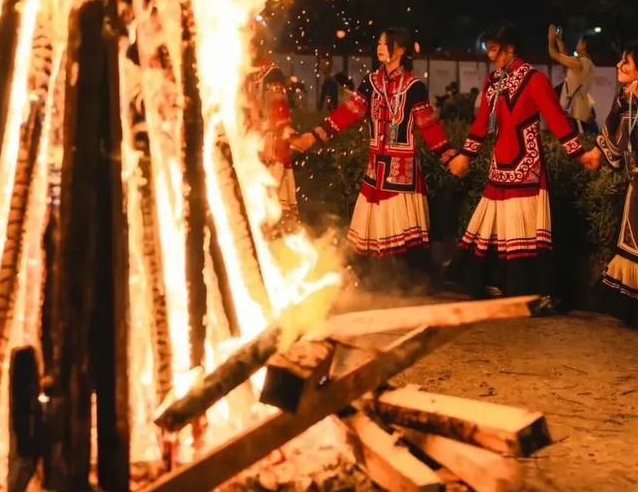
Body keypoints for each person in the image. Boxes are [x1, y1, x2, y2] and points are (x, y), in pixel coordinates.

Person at [447, 21, 592, 304]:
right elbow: (480, 124)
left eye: (494, 50)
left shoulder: (534, 80)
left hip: (526, 167)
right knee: (498, 225)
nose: (489, 55)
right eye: (488, 49)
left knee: (522, 228)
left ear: (510, 49)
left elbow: (556, 119)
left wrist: (579, 153)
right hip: (499, 165)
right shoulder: (492, 82)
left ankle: (528, 291)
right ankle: (497, 283)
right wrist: (466, 154)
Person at [290, 27, 456, 267]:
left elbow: (428, 126)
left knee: (404, 242)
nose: (379, 47)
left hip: (401, 173)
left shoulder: (413, 86)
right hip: (375, 171)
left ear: (400, 49)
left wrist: (450, 156)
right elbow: (348, 112)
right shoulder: (372, 82)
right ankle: (376, 284)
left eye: (384, 43)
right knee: (369, 238)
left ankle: (409, 286)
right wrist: (315, 136)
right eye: (378, 42)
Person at [581, 43, 638, 327]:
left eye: (626, 63)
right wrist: (596, 154)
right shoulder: (625, 97)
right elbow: (613, 133)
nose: (618, 67)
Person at [245, 39, 299, 226]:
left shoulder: (272, 72)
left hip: (271, 145)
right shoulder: (242, 69)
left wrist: (271, 139)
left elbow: (280, 112)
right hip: (250, 141)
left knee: (271, 195)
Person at [547, 25, 596, 133]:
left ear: (584, 45)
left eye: (579, 42)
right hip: (581, 111)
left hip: (575, 114)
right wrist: (559, 41)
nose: (577, 44)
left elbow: (554, 54)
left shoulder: (578, 63)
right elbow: (566, 57)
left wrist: (551, 39)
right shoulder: (587, 62)